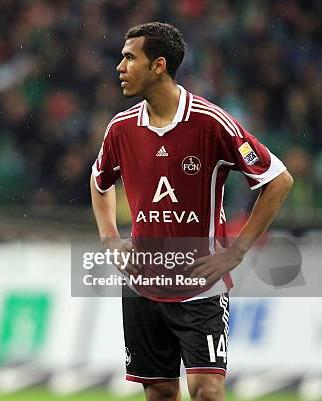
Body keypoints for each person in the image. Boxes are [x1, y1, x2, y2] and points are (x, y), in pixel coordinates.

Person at [90, 23, 293, 401]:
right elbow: (99, 181)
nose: (119, 67)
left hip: (200, 284)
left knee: (207, 391)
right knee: (161, 393)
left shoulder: (210, 122)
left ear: (158, 66)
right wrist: (110, 239)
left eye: (130, 57)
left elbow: (278, 180)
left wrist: (237, 250)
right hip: (142, 285)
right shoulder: (120, 128)